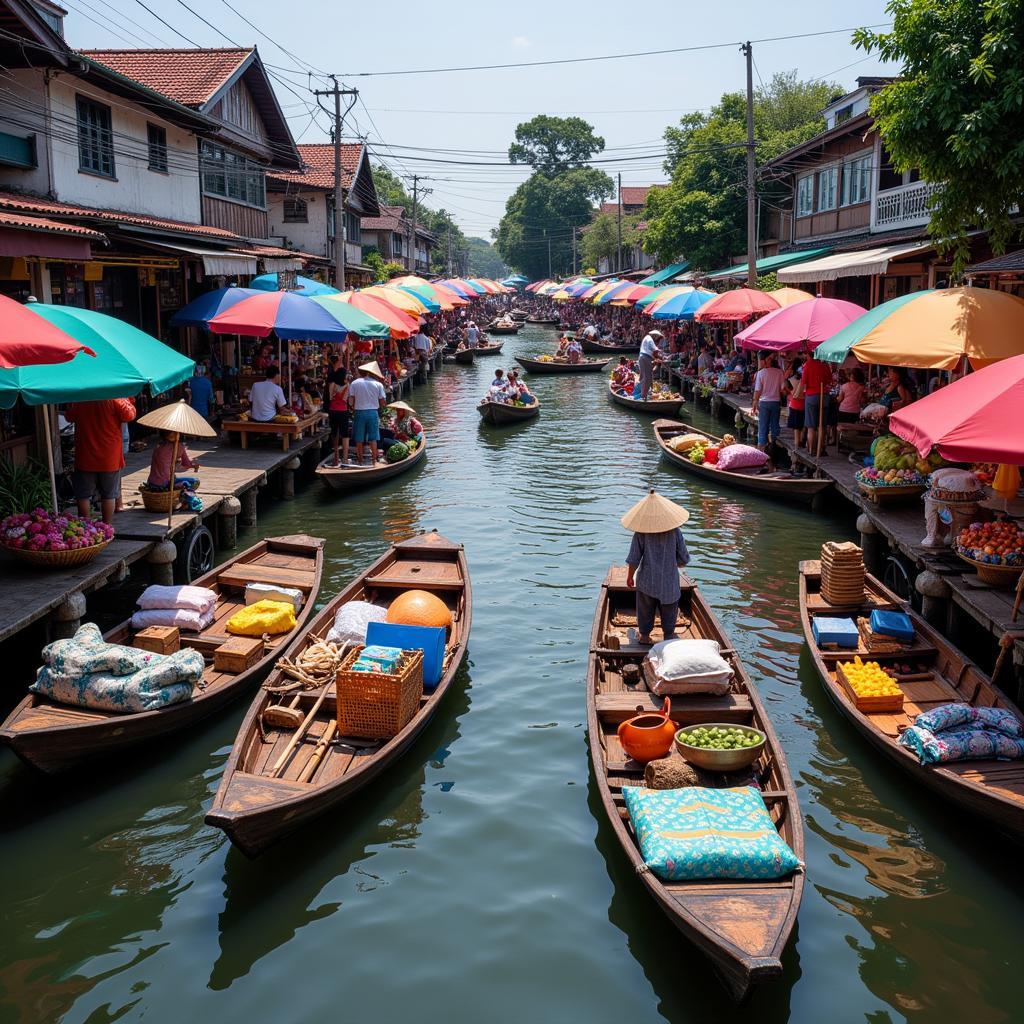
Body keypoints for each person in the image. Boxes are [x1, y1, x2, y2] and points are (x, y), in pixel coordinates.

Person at [622, 489, 691, 646]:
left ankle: (645, 636)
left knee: (645, 610)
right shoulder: (675, 532)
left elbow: (634, 558)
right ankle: (668, 636)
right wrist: (674, 564)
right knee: (670, 610)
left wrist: (629, 577)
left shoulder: (641, 533)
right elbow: (683, 558)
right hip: (669, 582)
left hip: (647, 580)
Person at [65, 397, 136, 525]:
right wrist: (126, 399)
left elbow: (69, 416)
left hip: (85, 455)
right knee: (108, 494)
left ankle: (84, 528)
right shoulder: (114, 397)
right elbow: (129, 415)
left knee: (83, 495)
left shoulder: (81, 397)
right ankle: (107, 527)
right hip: (109, 456)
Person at [348, 361, 387, 465]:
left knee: (359, 439)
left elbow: (351, 401)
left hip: (359, 412)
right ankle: (374, 461)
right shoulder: (378, 384)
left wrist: (354, 406)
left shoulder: (354, 383)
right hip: (373, 412)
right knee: (373, 438)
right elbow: (383, 402)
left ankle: (360, 461)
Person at [751, 353, 785, 450]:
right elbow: (782, 389)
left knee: (763, 426)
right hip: (776, 402)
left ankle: (761, 448)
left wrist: (755, 402)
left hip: (764, 402)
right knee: (775, 425)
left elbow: (757, 390)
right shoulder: (780, 372)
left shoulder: (761, 373)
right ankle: (774, 446)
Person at [801, 353, 834, 454]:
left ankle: (811, 450)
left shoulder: (808, 365)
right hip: (824, 396)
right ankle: (820, 449)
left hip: (811, 396)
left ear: (809, 355)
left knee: (811, 427)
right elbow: (829, 380)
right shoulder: (825, 365)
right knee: (822, 426)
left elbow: (803, 382)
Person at [326, 355, 350, 467]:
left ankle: (336, 457)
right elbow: (346, 400)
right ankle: (345, 458)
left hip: (333, 410)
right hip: (343, 411)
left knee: (334, 433)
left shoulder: (332, 385)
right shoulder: (347, 386)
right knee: (345, 434)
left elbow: (330, 397)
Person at [783, 358, 806, 449]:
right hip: (803, 404)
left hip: (794, 404)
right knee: (802, 425)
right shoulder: (804, 381)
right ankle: (801, 441)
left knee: (796, 427)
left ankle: (796, 445)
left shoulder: (791, 380)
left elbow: (786, 388)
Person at [637, 328, 664, 400]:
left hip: (642, 357)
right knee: (647, 378)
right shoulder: (650, 339)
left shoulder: (646, 338)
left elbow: (653, 351)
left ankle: (644, 394)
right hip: (646, 358)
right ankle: (644, 396)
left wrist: (657, 358)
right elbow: (655, 351)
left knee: (644, 377)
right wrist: (660, 358)